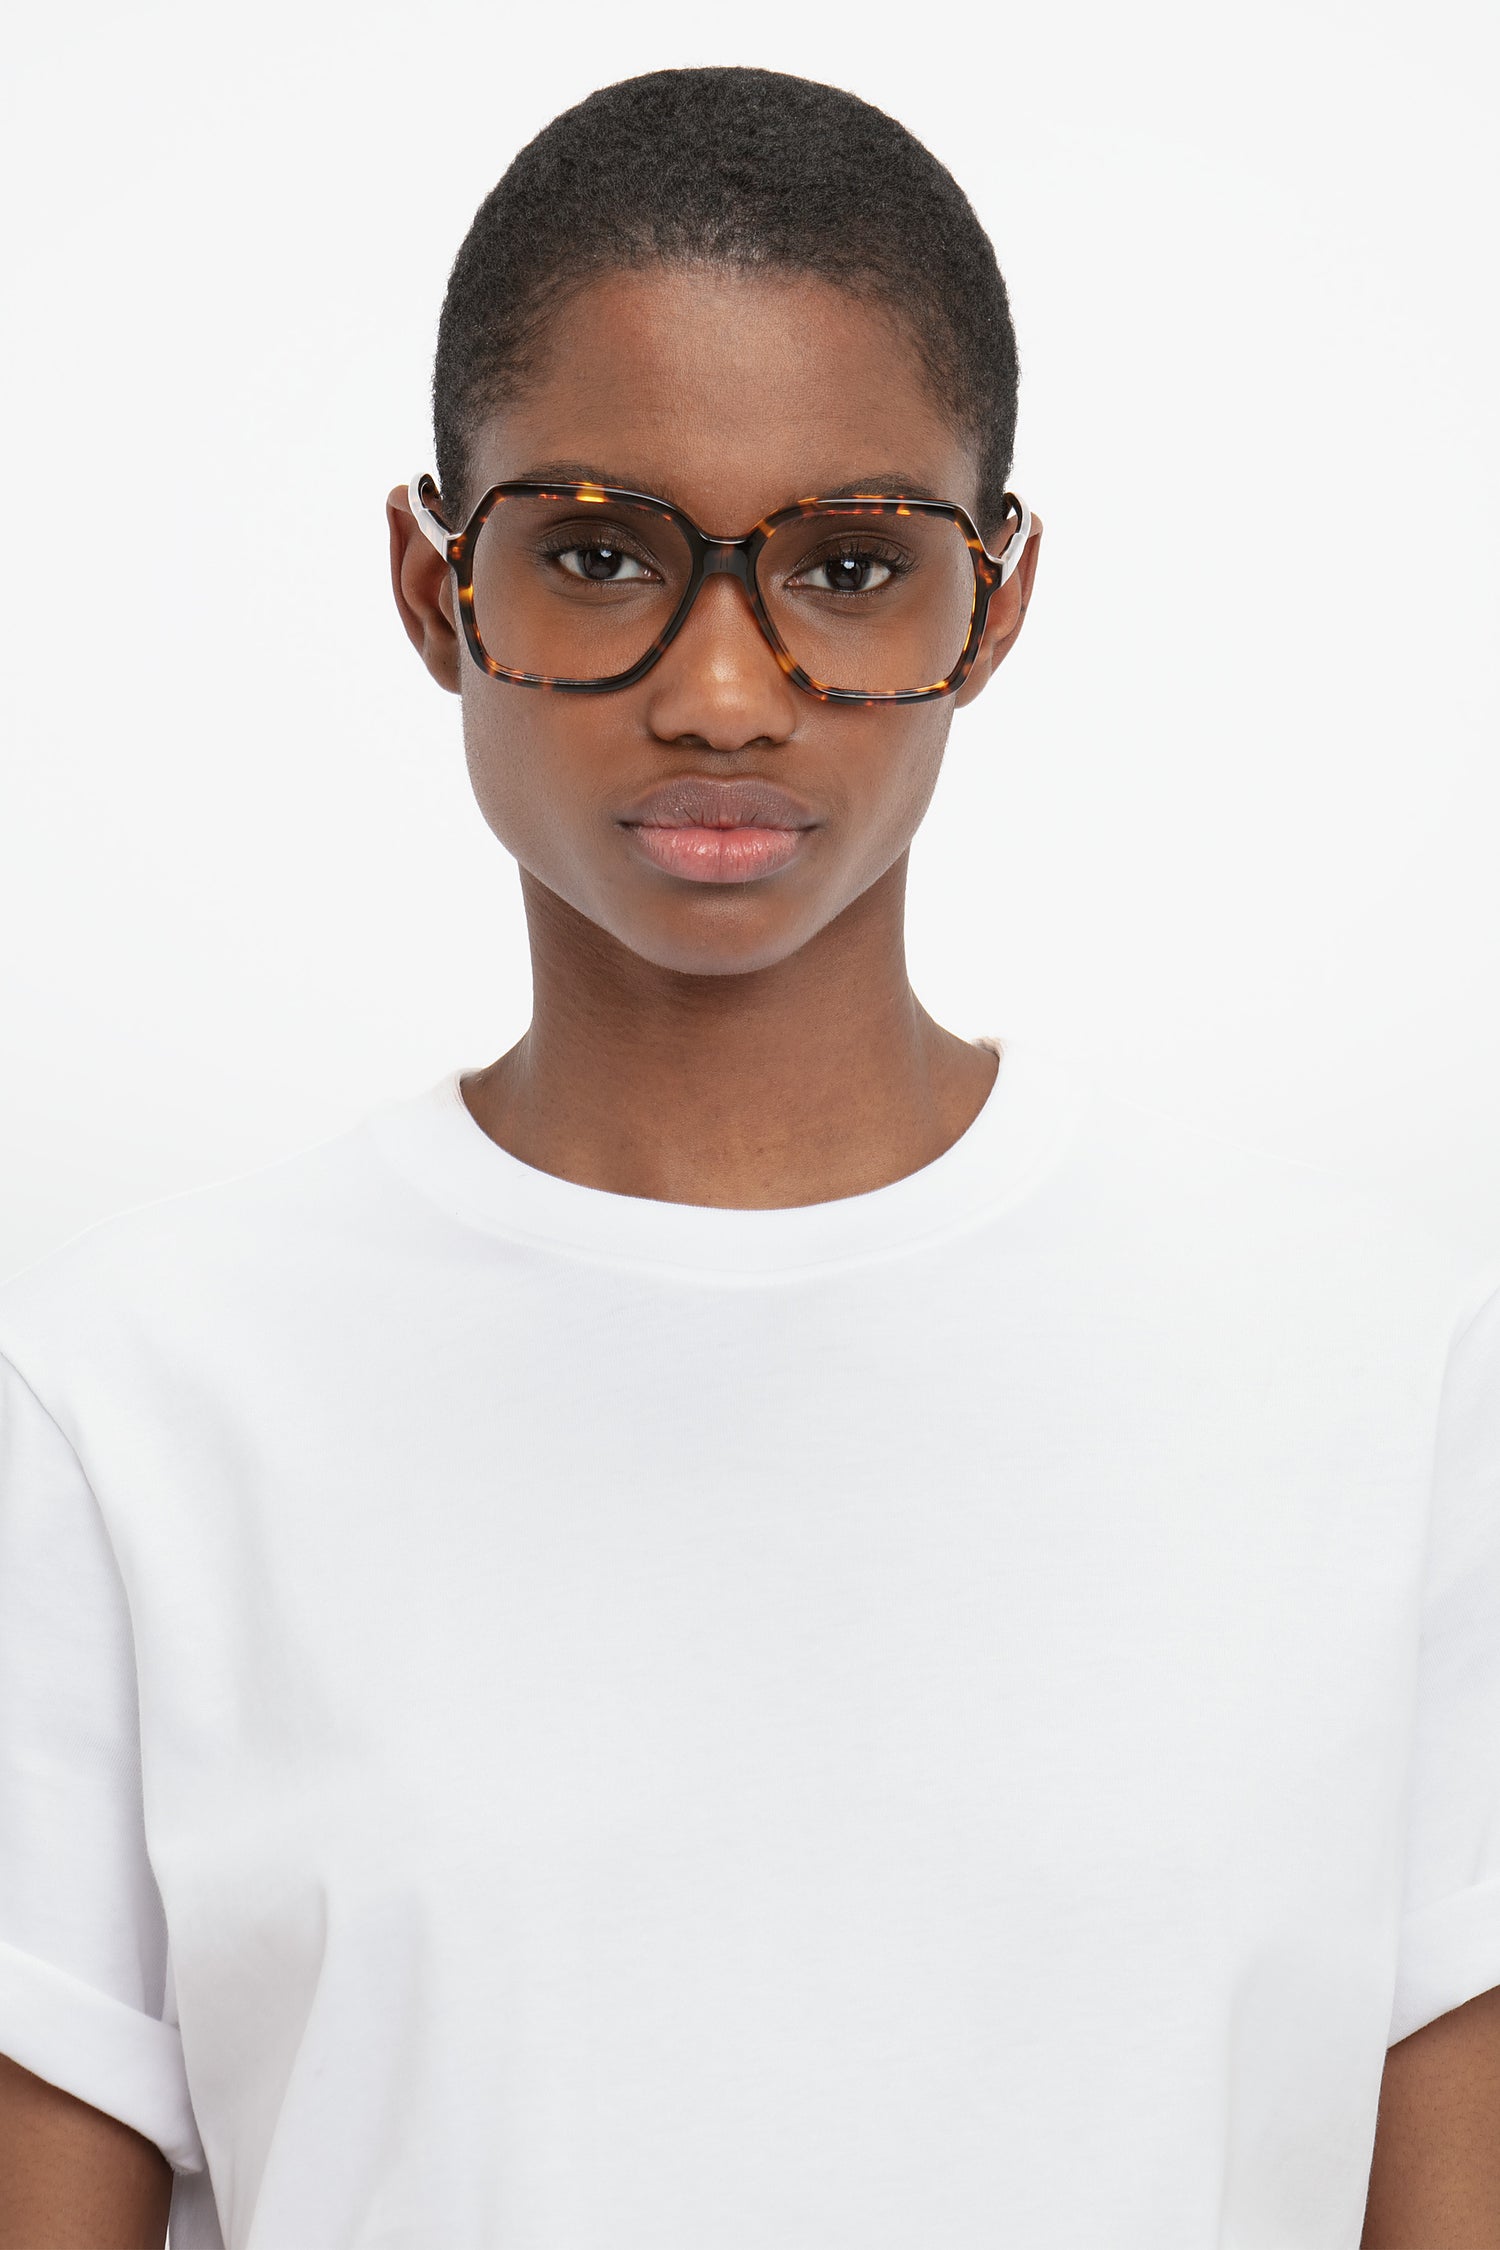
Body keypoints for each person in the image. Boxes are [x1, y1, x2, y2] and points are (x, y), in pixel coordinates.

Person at [1, 63, 1497, 2250]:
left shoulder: (1383, 1384)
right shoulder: (129, 1406)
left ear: (991, 607)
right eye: (598, 551)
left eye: (848, 563)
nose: (722, 689)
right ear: (436, 585)